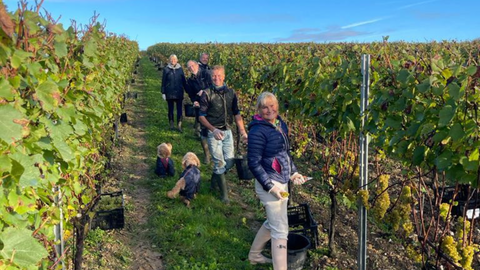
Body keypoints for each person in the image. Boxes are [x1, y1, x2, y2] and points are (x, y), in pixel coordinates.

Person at [247, 92, 307, 269]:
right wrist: (270, 187)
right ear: (259, 109)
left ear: (277, 106)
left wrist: (293, 173)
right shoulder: (257, 131)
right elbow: (253, 163)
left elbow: (284, 154)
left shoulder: (280, 125)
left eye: (272, 105)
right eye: (265, 107)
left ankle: (255, 255)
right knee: (281, 231)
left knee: (273, 223)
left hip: (281, 182)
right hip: (269, 184)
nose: (269, 110)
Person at [198, 65, 247, 204]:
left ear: (224, 76)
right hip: (213, 132)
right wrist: (213, 130)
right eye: (214, 75)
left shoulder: (231, 93)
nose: (216, 78)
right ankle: (224, 196)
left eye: (219, 75)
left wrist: (242, 131)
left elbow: (236, 113)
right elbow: (201, 116)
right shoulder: (207, 93)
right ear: (211, 76)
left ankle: (214, 182)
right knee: (219, 163)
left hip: (227, 131)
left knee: (230, 162)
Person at [186, 60, 213, 164]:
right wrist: (195, 101)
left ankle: (215, 151)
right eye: (189, 67)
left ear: (197, 65)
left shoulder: (206, 74)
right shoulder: (190, 80)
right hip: (200, 107)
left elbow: (213, 86)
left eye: (192, 66)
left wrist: (205, 91)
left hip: (211, 104)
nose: (191, 68)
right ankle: (207, 155)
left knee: (212, 126)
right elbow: (191, 94)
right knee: (203, 129)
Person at [161, 54, 187, 132]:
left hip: (179, 92)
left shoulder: (180, 69)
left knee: (179, 109)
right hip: (169, 92)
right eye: (171, 60)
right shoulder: (166, 69)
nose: (173, 61)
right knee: (170, 109)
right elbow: (163, 81)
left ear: (177, 60)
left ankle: (179, 124)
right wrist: (163, 92)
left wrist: (187, 90)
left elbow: (184, 81)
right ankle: (171, 123)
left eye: (174, 59)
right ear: (169, 60)